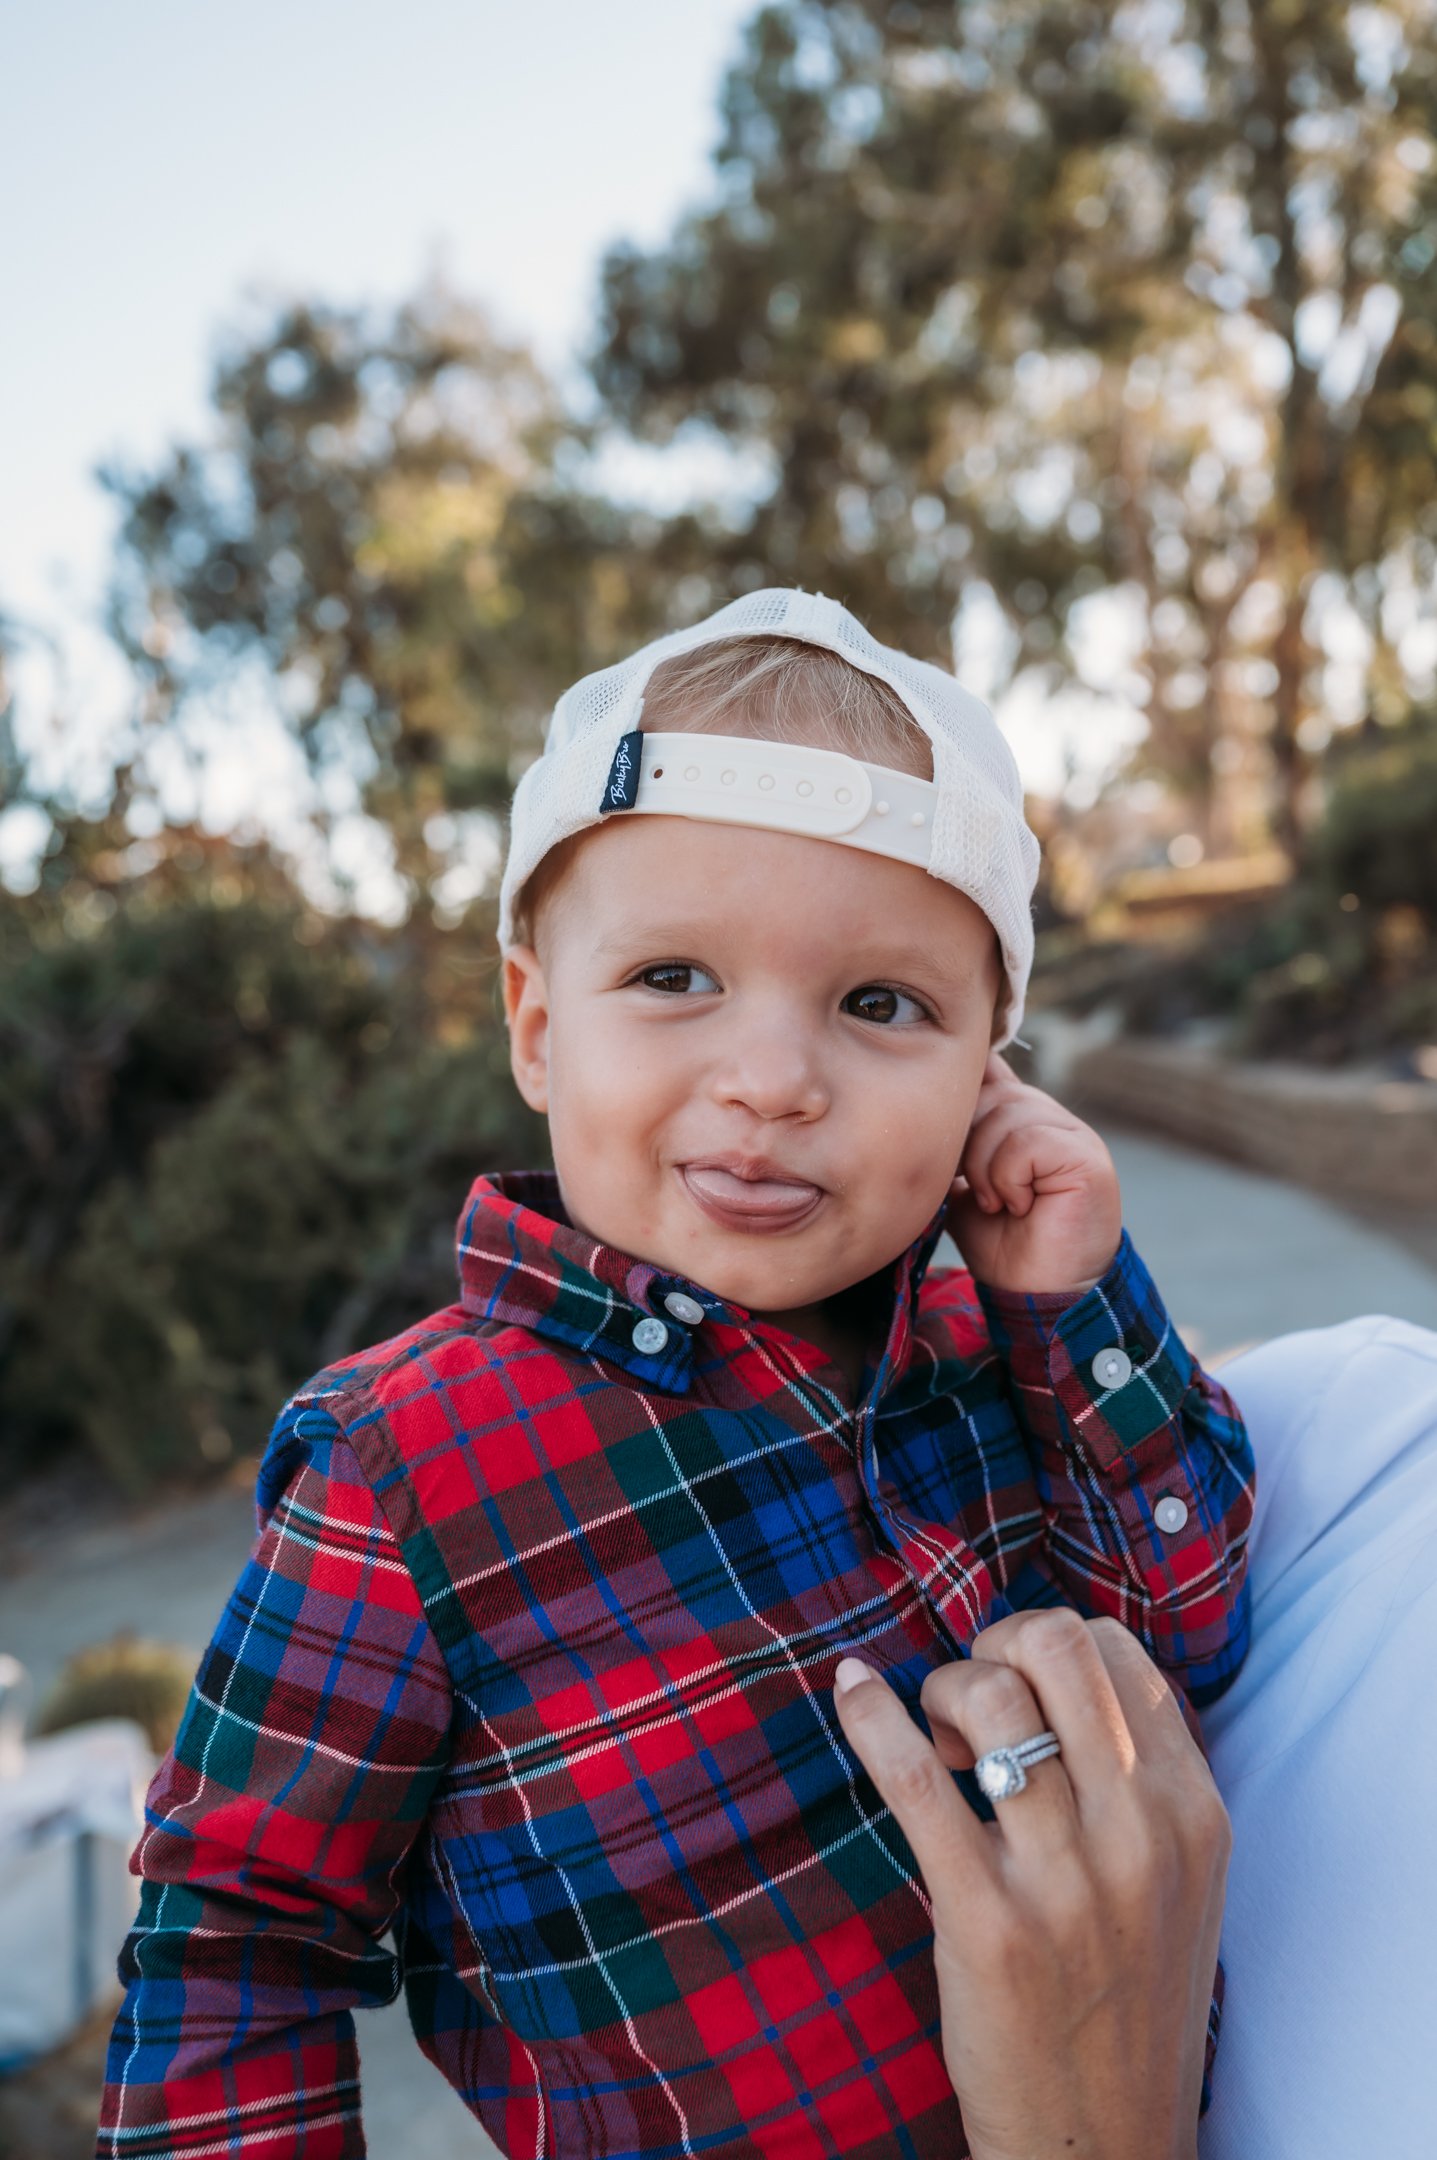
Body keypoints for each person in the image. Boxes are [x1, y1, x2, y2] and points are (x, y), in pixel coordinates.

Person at [96, 590, 1255, 2158]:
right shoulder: (404, 1466)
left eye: (879, 1005)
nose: (772, 1078)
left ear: (988, 1074)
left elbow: (1190, 1632)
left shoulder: (1002, 1352)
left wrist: (1073, 1311)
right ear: (534, 1027)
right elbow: (235, 1944)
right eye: (671, 980)